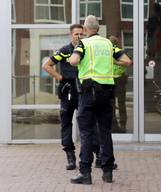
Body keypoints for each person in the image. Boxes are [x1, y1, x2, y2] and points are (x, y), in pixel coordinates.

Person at [69, 15, 132, 184]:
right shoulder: (108, 44)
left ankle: (85, 173)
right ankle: (107, 172)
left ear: (85, 29)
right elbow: (127, 61)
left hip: (88, 94)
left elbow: (74, 61)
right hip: (106, 94)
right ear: (98, 28)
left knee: (86, 133)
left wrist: (72, 57)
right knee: (105, 132)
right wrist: (111, 63)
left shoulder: (84, 44)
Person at [42, 24, 101, 170]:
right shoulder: (65, 50)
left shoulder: (87, 49)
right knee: (66, 123)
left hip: (84, 91)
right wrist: (60, 78)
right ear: (71, 35)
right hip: (68, 91)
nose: (79, 36)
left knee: (90, 124)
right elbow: (47, 65)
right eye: (76, 34)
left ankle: (98, 155)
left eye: (82, 34)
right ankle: (70, 156)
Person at [109, 35, 128, 133]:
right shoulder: (107, 53)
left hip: (120, 80)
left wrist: (115, 62)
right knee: (112, 105)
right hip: (111, 80)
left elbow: (127, 63)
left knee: (120, 104)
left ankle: (123, 125)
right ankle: (114, 126)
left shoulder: (121, 53)